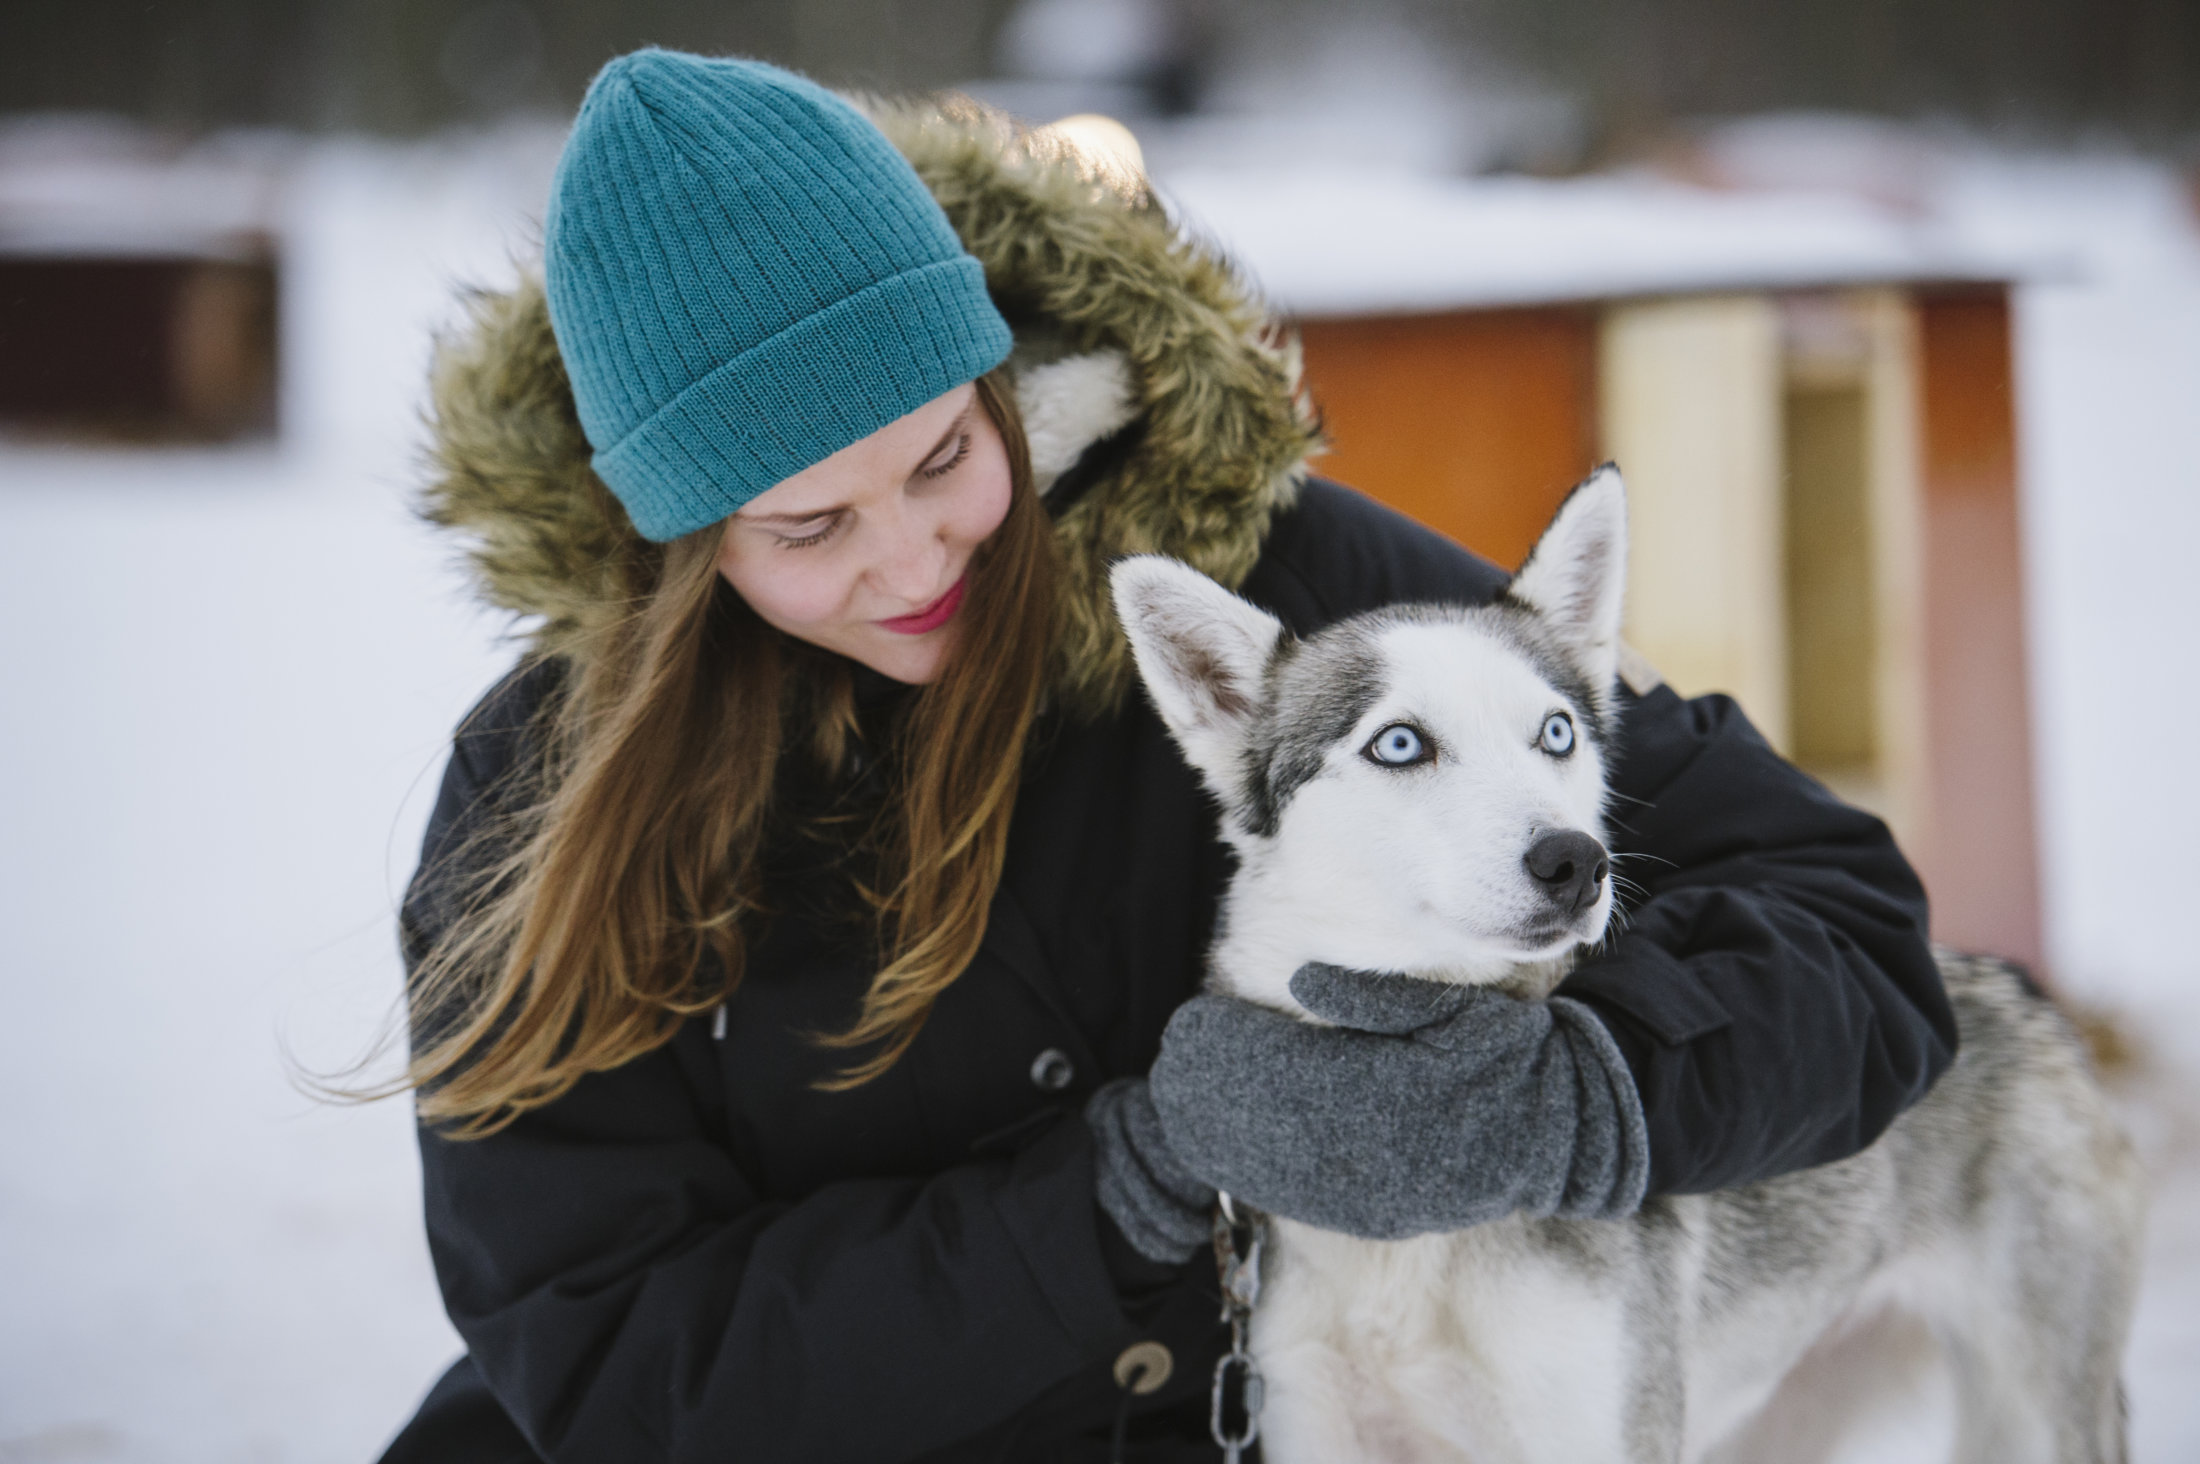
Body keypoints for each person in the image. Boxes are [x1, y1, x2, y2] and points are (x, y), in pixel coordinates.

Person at [375, 49, 1954, 1464]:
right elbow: (614, 1361)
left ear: (998, 388)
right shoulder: (546, 799)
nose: (915, 557)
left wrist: (1575, 1095)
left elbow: (1854, 933)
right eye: (807, 527)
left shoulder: (1268, 590)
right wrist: (1116, 1191)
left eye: (944, 456)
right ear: (678, 544)